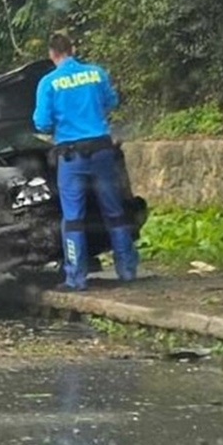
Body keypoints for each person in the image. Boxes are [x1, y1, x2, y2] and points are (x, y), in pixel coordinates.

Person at [32, 33, 138, 291]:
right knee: (114, 212)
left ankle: (76, 278)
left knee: (74, 218)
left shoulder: (49, 83)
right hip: (102, 152)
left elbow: (42, 123)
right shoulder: (96, 73)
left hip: (72, 157)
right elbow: (111, 101)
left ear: (52, 54)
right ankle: (127, 270)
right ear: (73, 48)